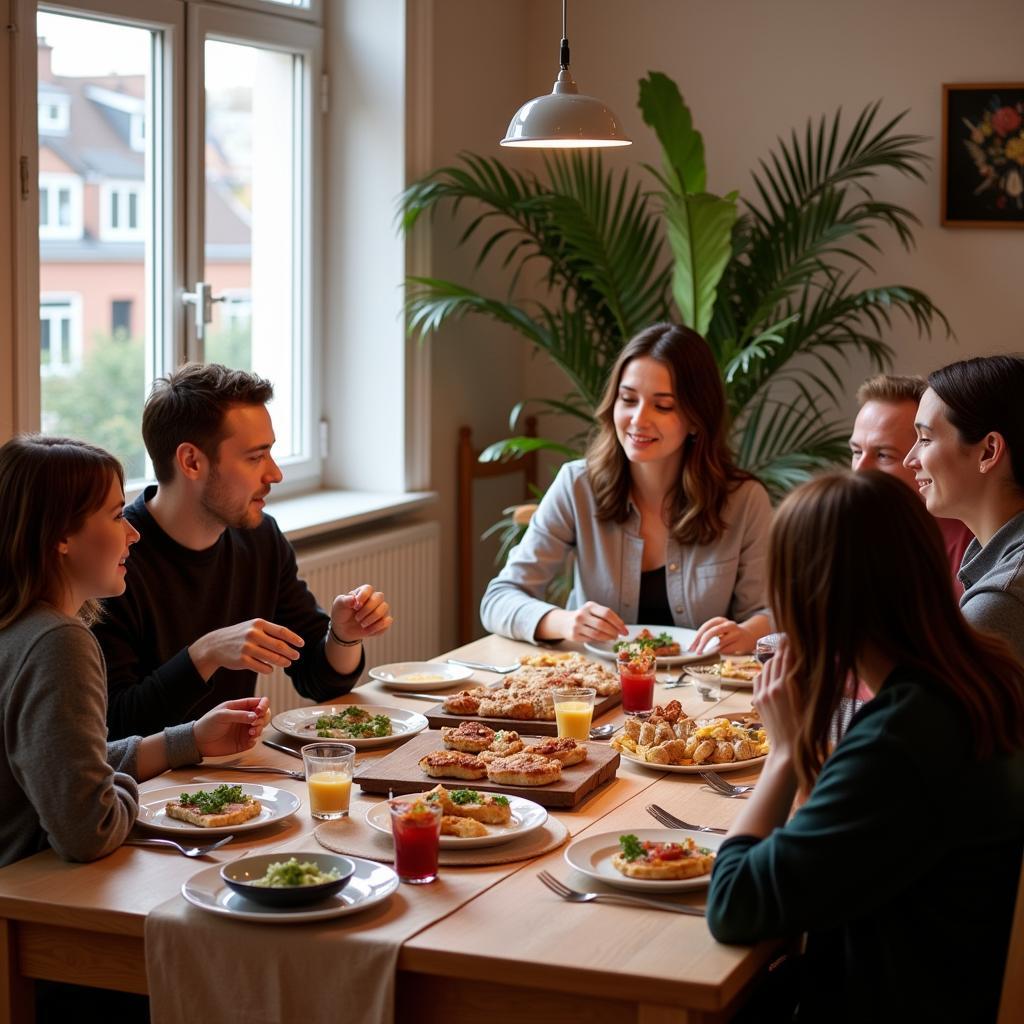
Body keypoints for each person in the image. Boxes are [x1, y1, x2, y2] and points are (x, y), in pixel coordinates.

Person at [706, 470, 1024, 1023]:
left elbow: (734, 904)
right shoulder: (980, 677)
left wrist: (782, 754)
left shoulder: (903, 738)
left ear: (813, 600)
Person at [0, 435, 272, 869]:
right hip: (29, 893)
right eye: (113, 516)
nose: (132, 531)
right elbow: (90, 832)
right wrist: (127, 792)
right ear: (60, 536)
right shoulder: (58, 643)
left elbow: (58, 761)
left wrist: (190, 740)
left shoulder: (19, 628)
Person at [94, 363, 394, 740]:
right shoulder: (115, 559)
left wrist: (344, 635)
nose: (275, 474)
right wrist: (204, 654)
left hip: (233, 778)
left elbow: (319, 681)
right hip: (148, 792)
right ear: (191, 462)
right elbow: (115, 728)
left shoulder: (259, 538)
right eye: (256, 457)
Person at [481, 323, 772, 654]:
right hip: (596, 692)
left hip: (706, 693)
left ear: (696, 418)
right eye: (628, 399)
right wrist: (565, 622)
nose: (638, 419)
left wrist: (747, 634)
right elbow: (498, 599)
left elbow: (769, 612)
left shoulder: (745, 501)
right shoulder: (577, 485)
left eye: (662, 406)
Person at [904, 355, 1024, 661]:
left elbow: (930, 710)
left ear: (989, 451)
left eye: (925, 439)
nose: (910, 460)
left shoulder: (1001, 600)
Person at [850, 373, 973, 594]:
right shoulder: (847, 534)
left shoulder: (973, 548)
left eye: (884, 455)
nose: (859, 470)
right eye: (857, 452)